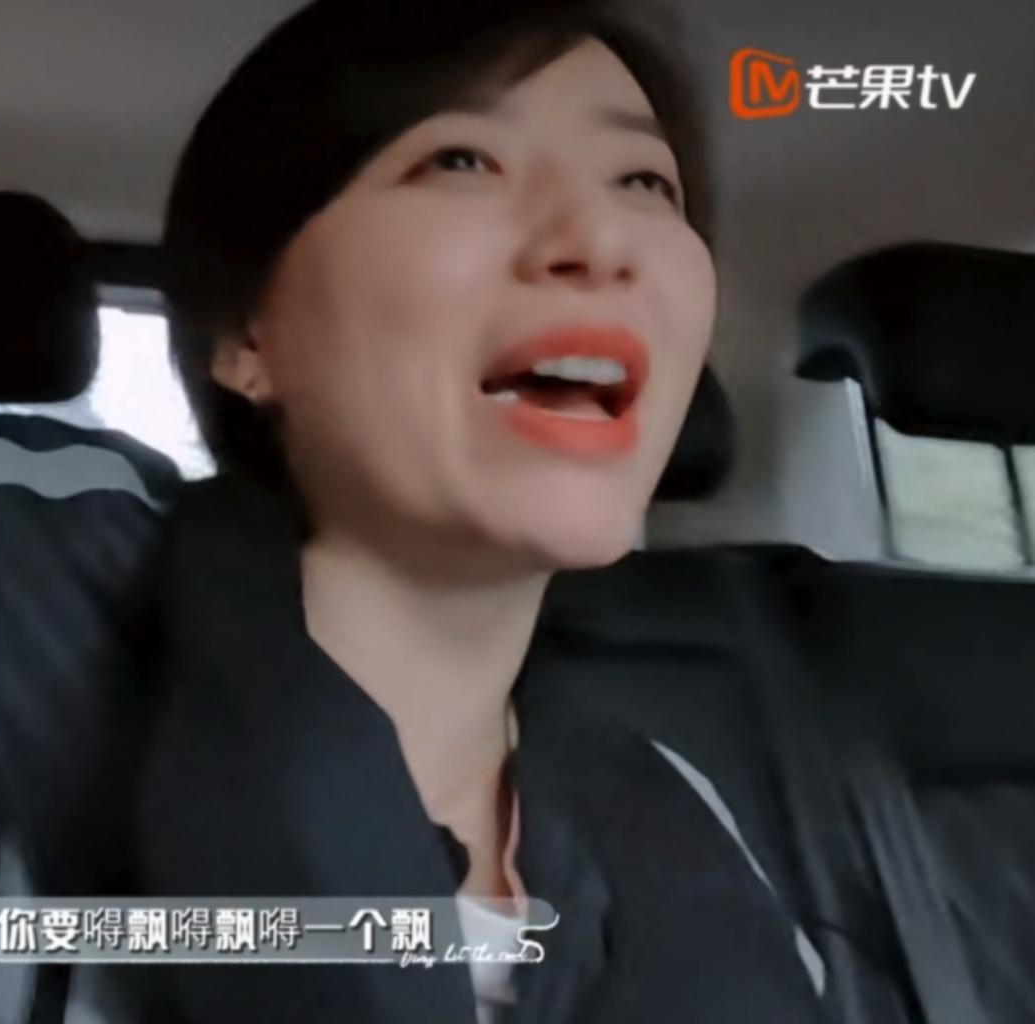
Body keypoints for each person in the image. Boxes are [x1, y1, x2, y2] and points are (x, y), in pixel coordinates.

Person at [128, 1, 996, 1022]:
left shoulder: (691, 820)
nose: (601, 240)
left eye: (645, 183)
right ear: (245, 334)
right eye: (460, 160)